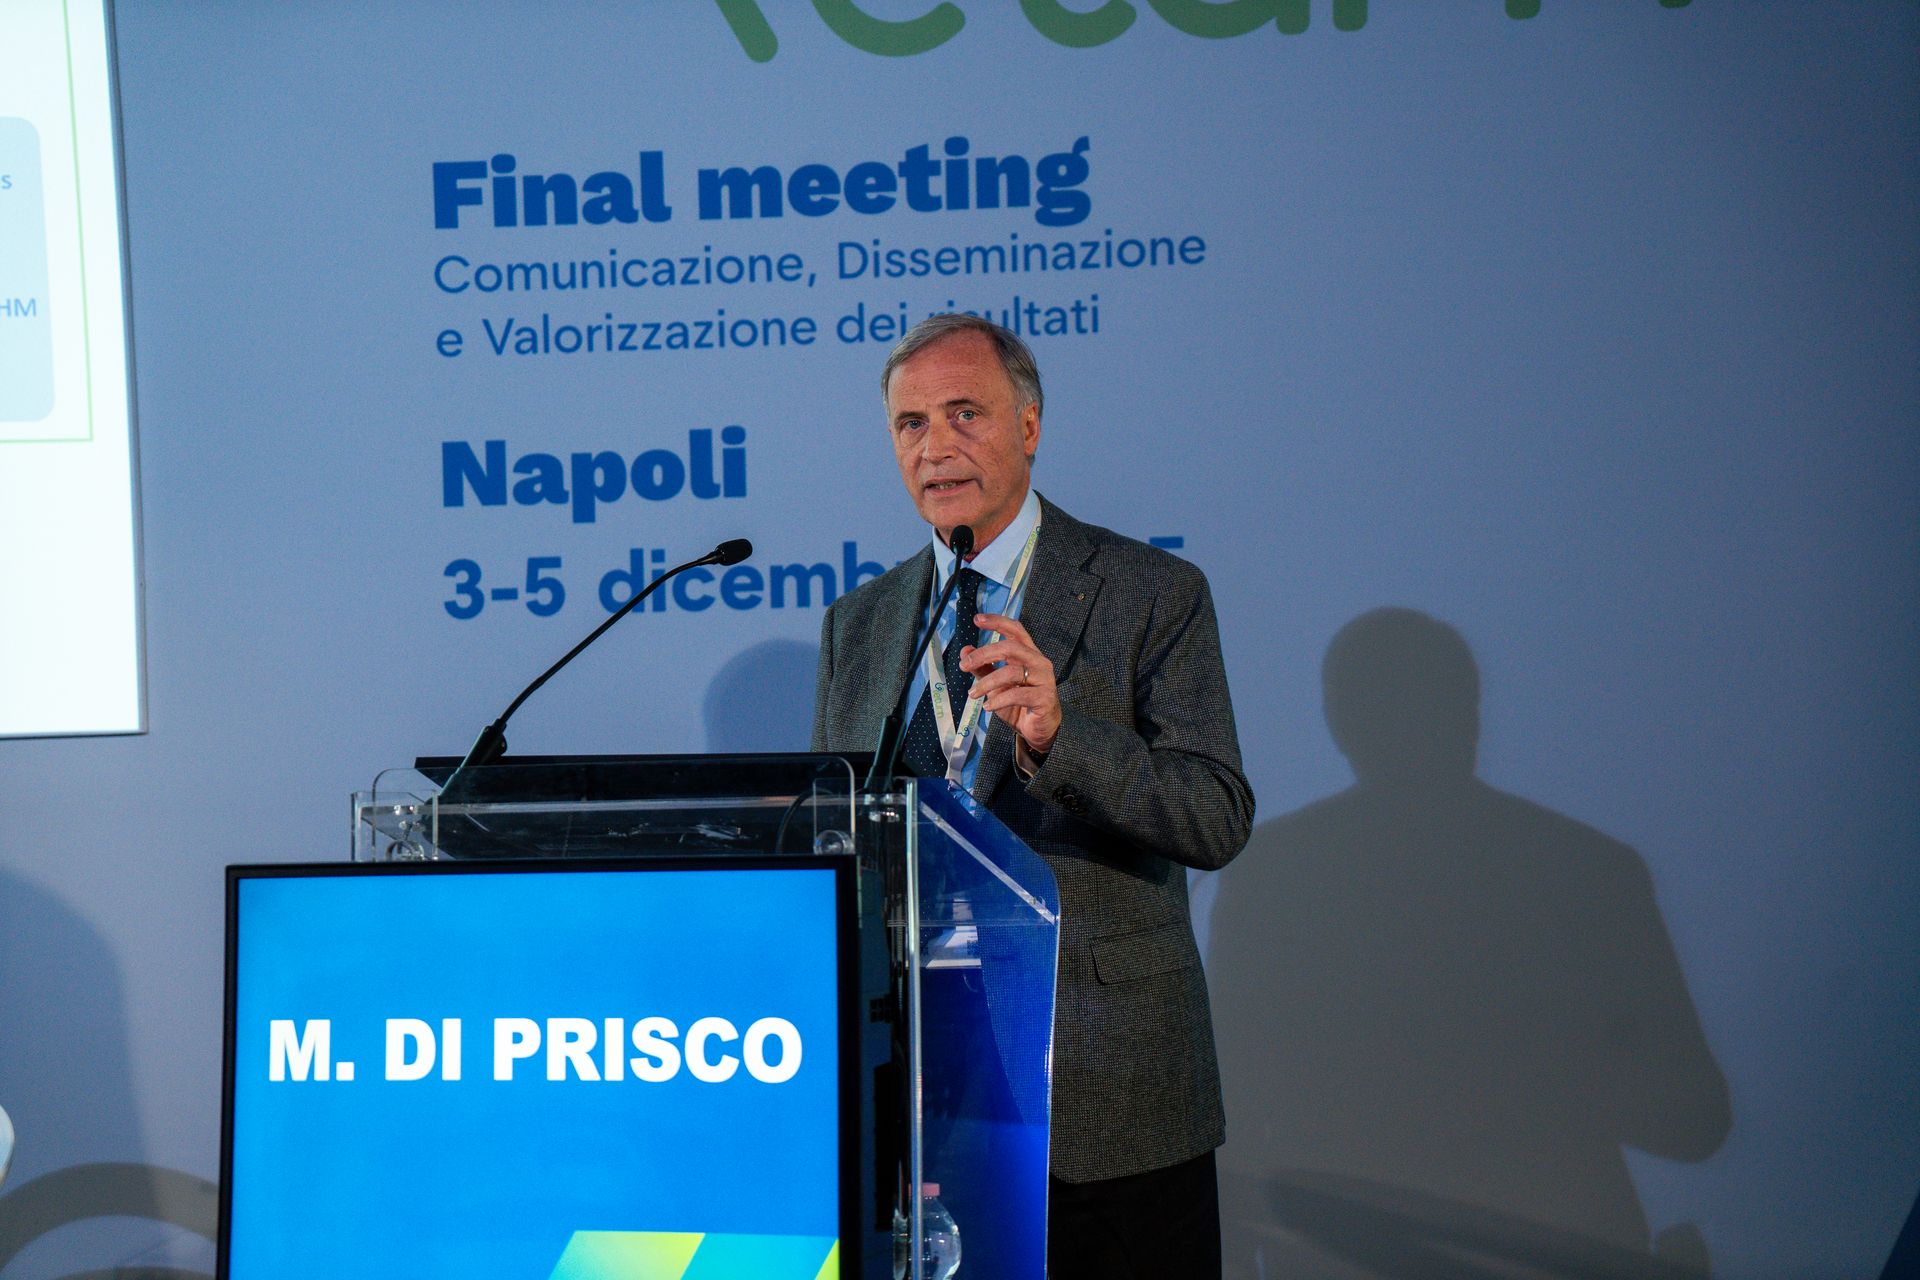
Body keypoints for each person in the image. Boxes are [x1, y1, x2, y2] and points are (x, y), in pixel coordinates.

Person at [812, 313, 1255, 1277]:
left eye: (965, 413)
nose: (936, 446)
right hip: (920, 1098)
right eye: (911, 423)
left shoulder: (1150, 592)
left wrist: (1062, 737)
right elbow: (840, 837)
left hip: (1106, 1089)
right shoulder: (862, 623)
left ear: (1029, 425)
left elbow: (1215, 812)